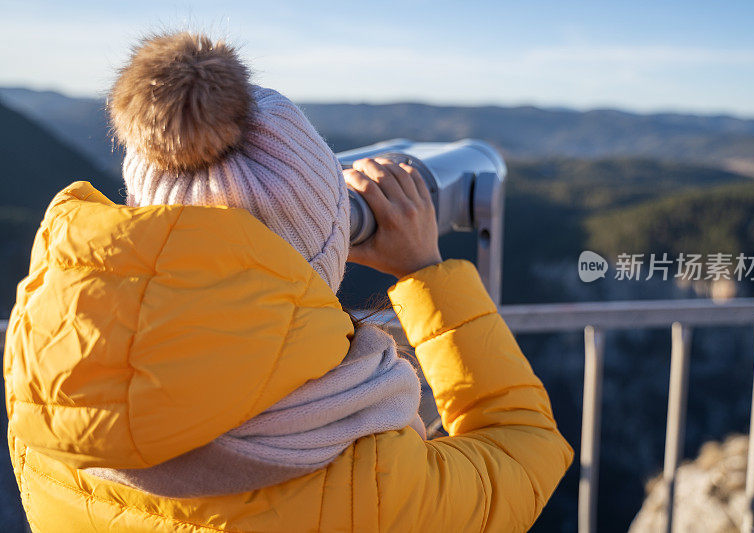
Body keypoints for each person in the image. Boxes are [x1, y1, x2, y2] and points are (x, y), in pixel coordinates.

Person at [3, 31, 573, 532]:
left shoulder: (47, 411)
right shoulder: (369, 486)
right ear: (323, 253)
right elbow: (526, 446)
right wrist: (425, 273)